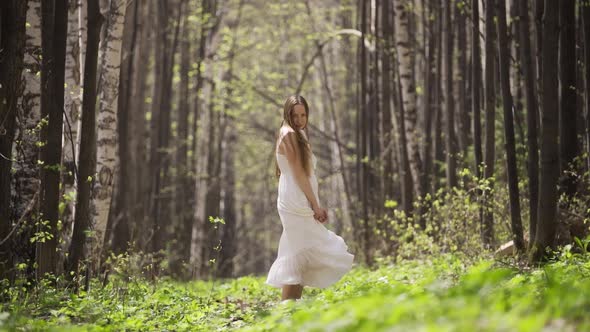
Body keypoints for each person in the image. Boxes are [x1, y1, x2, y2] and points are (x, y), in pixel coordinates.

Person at [265, 95, 354, 301]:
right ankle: (286, 311)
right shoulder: (288, 134)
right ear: (287, 114)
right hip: (295, 199)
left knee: (299, 255)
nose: (299, 119)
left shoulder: (298, 134)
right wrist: (316, 206)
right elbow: (298, 173)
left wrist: (315, 202)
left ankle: (290, 309)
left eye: (303, 114)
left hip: (298, 194)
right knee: (298, 254)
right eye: (294, 115)